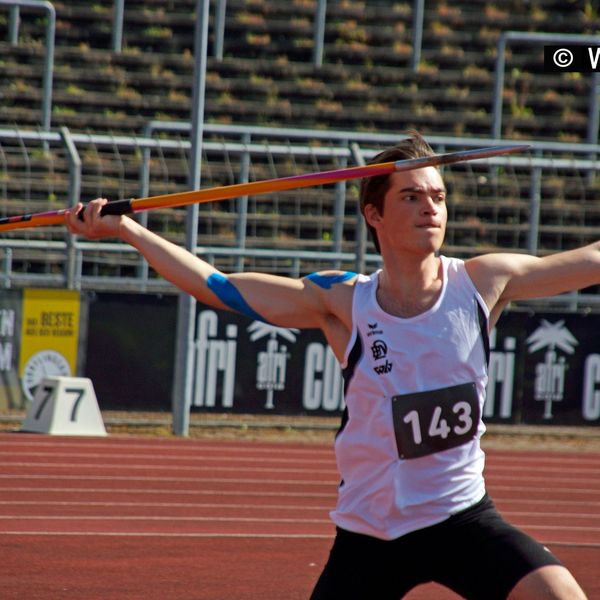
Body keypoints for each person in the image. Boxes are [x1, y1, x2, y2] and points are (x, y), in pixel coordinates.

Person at [65, 132, 595, 600]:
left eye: (437, 196)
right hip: (371, 534)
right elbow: (219, 287)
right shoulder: (344, 301)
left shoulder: (482, 283)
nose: (429, 207)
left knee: (559, 595)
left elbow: (589, 263)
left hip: (462, 517)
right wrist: (130, 232)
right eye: (410, 196)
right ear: (375, 214)